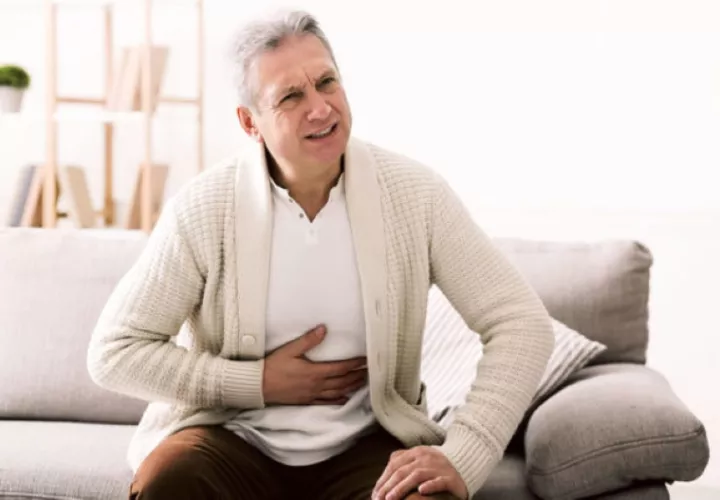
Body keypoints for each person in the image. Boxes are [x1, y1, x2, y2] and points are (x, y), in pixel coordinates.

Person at [87, 8, 554, 500]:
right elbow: (115, 352)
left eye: (327, 82)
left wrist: (464, 453)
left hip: (367, 448)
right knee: (169, 482)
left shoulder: (416, 196)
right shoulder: (203, 208)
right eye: (291, 96)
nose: (320, 108)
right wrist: (256, 382)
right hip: (232, 437)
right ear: (249, 122)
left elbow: (521, 324)